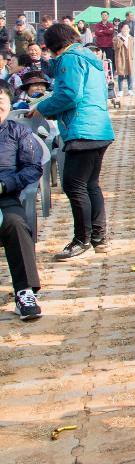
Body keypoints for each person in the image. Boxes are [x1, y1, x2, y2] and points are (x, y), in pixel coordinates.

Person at [34, 23, 115, 259]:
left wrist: (42, 107)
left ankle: (82, 238)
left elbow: (70, 94)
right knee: (90, 184)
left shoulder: (69, 59)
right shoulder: (88, 56)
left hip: (82, 129)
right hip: (98, 127)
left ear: (54, 44)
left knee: (73, 184)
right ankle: (99, 236)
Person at [0, 85, 44, 320]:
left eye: (1, 100)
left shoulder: (18, 132)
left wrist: (5, 184)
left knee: (16, 224)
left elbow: (32, 168)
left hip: (5, 197)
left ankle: (25, 292)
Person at [114, 21, 135, 95]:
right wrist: (122, 39)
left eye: (127, 28)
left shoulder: (131, 38)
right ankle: (120, 91)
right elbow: (116, 46)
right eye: (124, 28)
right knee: (121, 75)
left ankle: (130, 90)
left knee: (130, 74)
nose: (125, 30)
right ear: (121, 29)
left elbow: (134, 48)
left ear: (129, 29)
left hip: (129, 58)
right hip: (120, 58)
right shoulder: (117, 37)